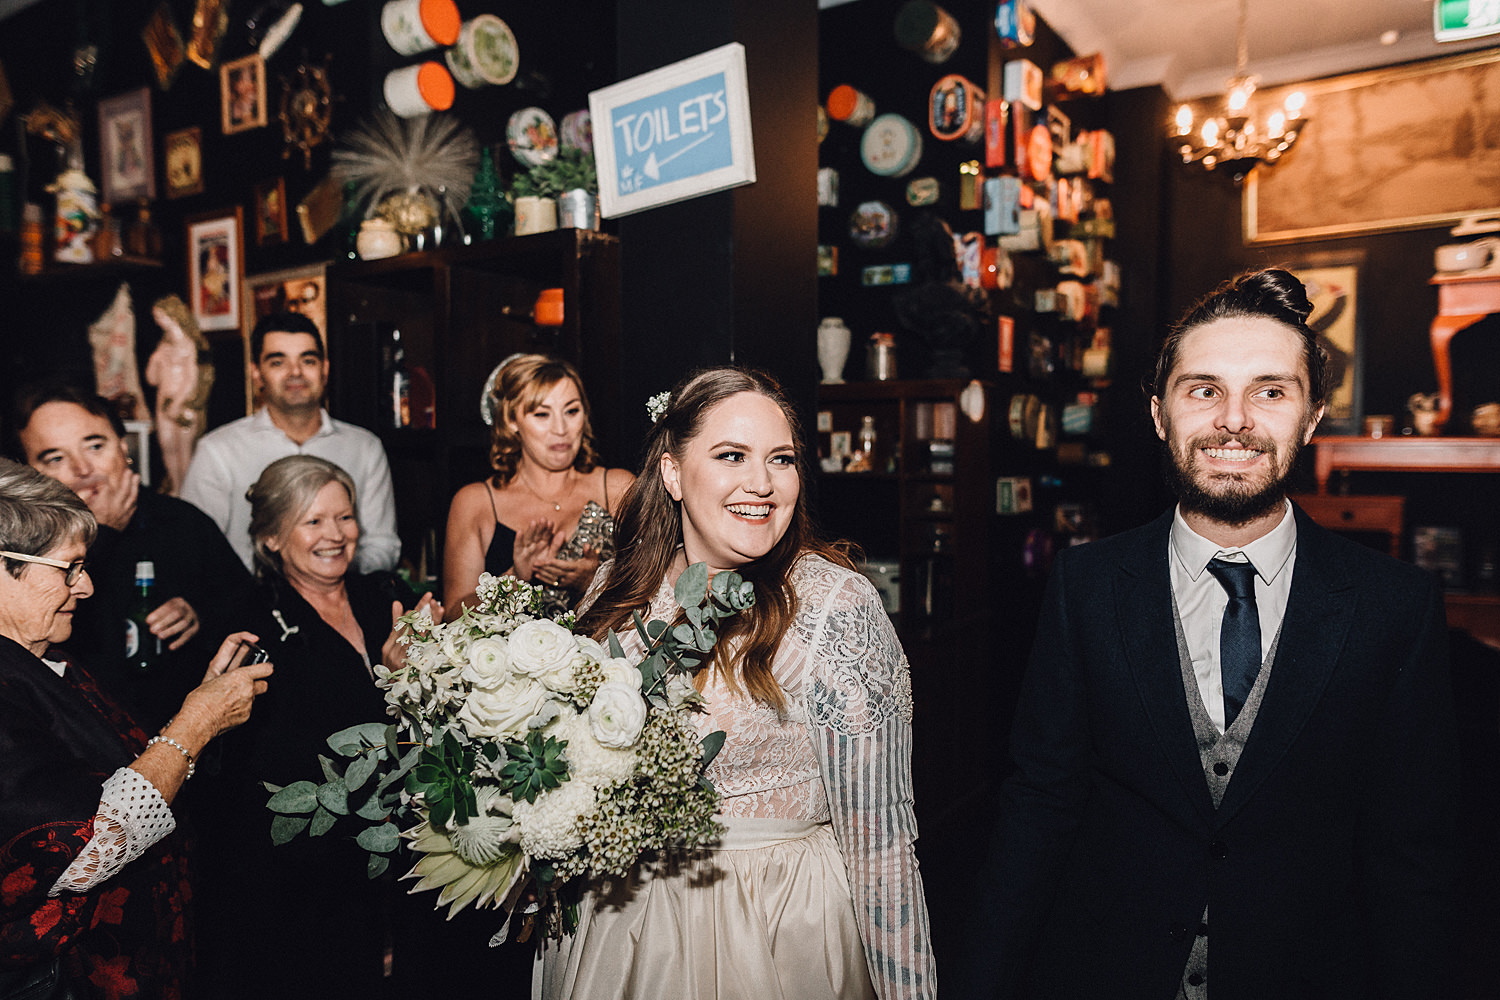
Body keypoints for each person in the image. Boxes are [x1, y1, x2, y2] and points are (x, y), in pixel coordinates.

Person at [963, 268, 1459, 999]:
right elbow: (1040, 804)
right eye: (1203, 390)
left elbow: (1412, 853)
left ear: (1313, 416)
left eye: (1270, 390)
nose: (1234, 420)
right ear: (1160, 415)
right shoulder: (1086, 585)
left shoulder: (1395, 605)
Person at [543, 367, 936, 999]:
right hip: (621, 934)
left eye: (780, 460)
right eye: (732, 456)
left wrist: (908, 992)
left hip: (775, 933)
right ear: (672, 472)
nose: (761, 484)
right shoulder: (617, 588)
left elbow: (881, 846)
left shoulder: (832, 607)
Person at [0, 458, 270, 999]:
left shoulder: (49, 658)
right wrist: (195, 724)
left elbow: (124, 769)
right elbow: (87, 847)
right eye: (69, 568)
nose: (88, 587)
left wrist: (201, 704)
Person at [193, 455, 438, 999]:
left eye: (345, 517)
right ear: (273, 538)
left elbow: (416, 739)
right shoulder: (248, 623)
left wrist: (421, 675)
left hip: (397, 849)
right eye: (314, 521)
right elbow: (247, 765)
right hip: (296, 873)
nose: (335, 535)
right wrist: (391, 684)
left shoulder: (383, 598)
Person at [11, 383, 258, 733]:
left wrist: (198, 613)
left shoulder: (182, 521)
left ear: (123, 448)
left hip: (204, 738)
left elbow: (251, 608)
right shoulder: (23, 549)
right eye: (56, 458)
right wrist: (103, 533)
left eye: (95, 446)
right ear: (31, 472)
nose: (83, 469)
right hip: (89, 749)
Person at [179, 310, 400, 574]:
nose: (295, 372)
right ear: (256, 374)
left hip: (341, 604)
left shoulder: (364, 448)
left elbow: (383, 545)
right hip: (248, 608)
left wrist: (329, 570)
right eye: (277, 362)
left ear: (325, 369)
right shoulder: (218, 451)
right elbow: (194, 550)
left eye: (308, 360)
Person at [442, 354, 632, 618]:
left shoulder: (617, 488)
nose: (561, 428)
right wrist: (514, 578)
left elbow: (660, 587)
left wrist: (596, 582)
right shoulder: (476, 502)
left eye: (572, 411)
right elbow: (453, 615)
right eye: (542, 414)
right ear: (511, 420)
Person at [144, 294, 214, 497]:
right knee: (167, 446)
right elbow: (152, 379)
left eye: (161, 316)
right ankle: (176, 488)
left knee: (185, 450)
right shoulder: (163, 347)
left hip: (184, 404)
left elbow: (192, 379)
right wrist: (156, 360)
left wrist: (179, 402)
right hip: (163, 402)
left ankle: (188, 491)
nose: (158, 321)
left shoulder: (189, 345)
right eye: (156, 317)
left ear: (173, 315)